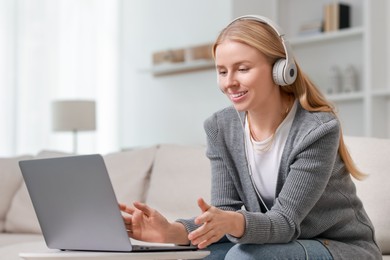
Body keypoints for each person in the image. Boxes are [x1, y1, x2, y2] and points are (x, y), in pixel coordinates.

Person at [119, 15, 382, 260]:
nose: (229, 82)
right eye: (222, 72)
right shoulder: (220, 127)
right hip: (281, 242)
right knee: (194, 255)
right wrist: (171, 232)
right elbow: (224, 214)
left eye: (242, 69)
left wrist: (233, 222)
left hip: (337, 246)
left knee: (242, 256)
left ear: (281, 69)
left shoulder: (317, 130)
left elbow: (285, 223)